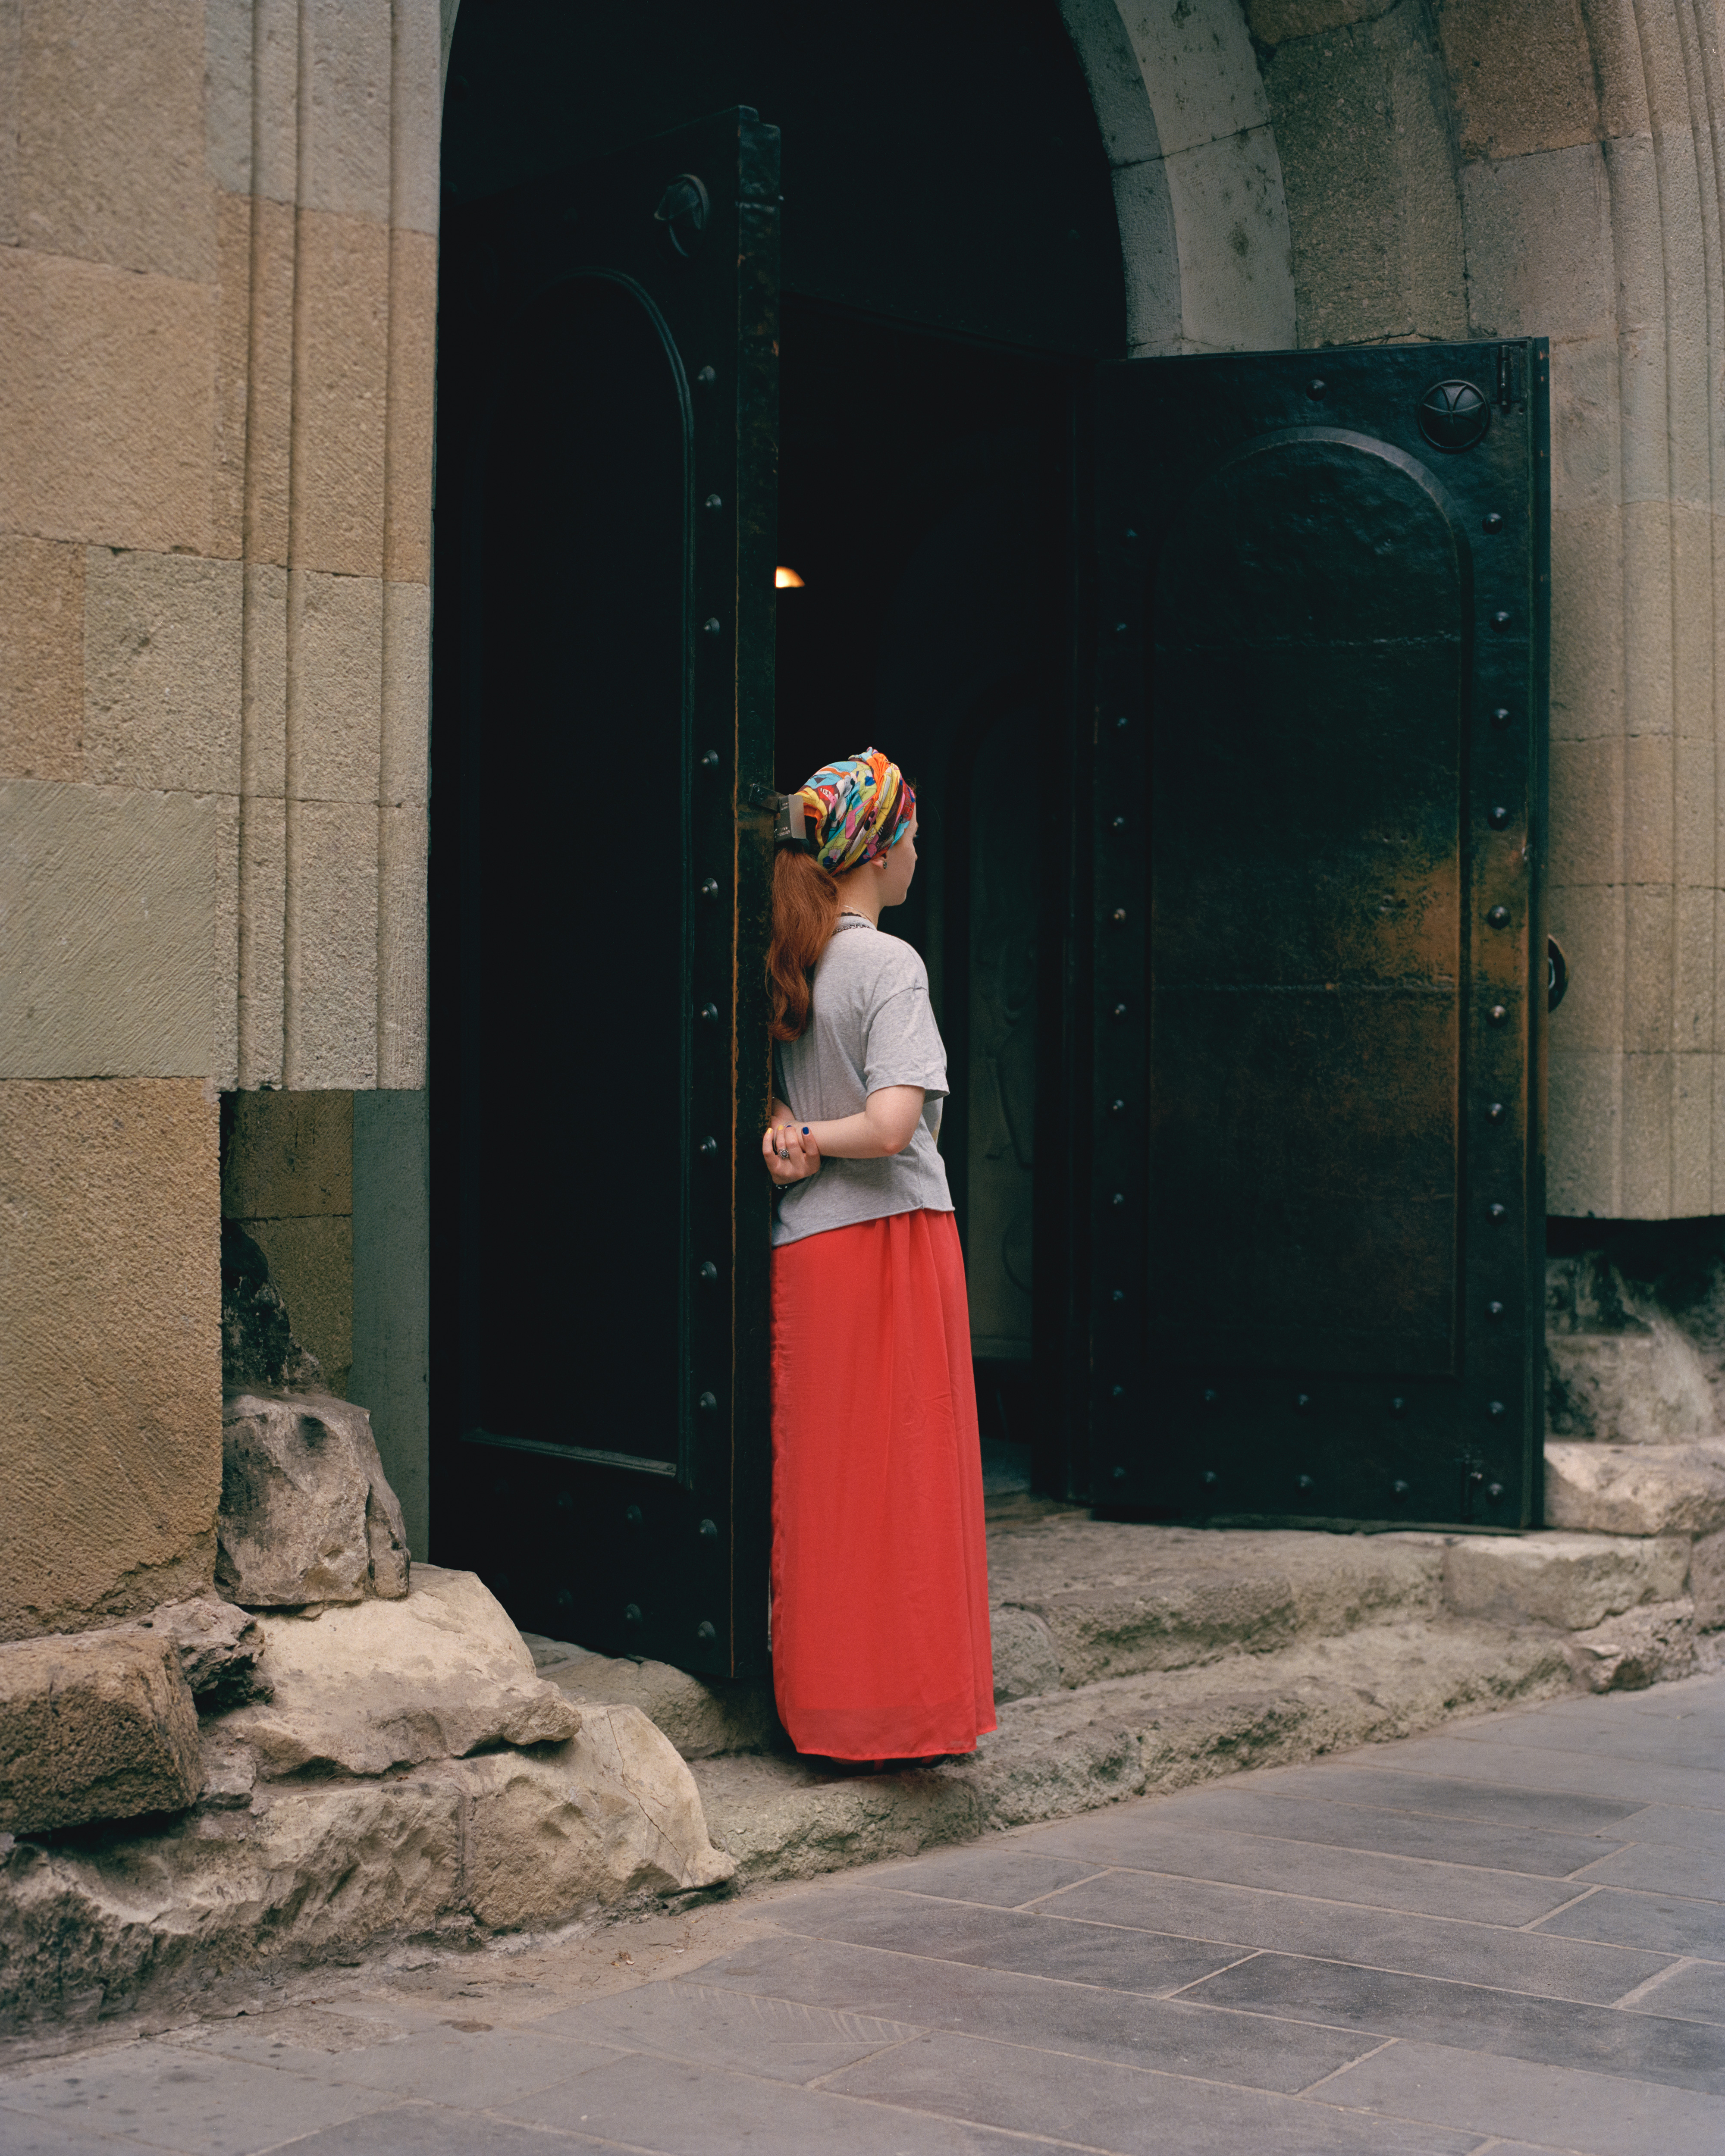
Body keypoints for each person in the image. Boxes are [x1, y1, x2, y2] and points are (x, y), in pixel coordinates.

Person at [761, 748, 995, 1767]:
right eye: (913, 832)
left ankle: (824, 1710)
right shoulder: (888, 964)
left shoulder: (787, 956)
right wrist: (822, 1136)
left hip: (804, 1247)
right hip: (893, 1245)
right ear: (883, 848)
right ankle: (906, 1714)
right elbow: (896, 1122)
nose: (919, 852)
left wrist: (789, 1130)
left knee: (822, 1492)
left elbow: (768, 1095)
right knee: (908, 1481)